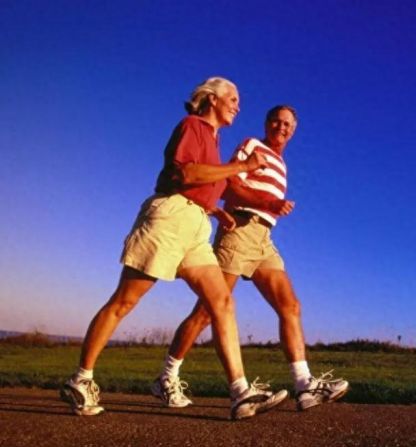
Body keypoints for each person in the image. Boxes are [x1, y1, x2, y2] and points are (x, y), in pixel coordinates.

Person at [60, 77, 288, 420]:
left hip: (196, 225)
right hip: (169, 218)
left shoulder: (213, 139)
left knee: (221, 302)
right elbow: (186, 174)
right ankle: (81, 378)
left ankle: (241, 392)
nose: (238, 106)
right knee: (124, 301)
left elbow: (201, 184)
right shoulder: (193, 125)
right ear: (212, 99)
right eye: (233, 99)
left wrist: (216, 210)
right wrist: (243, 166)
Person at [152, 105, 349, 412]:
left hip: (264, 240)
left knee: (290, 305)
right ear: (267, 124)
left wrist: (269, 207)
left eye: (287, 124)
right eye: (276, 121)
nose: (281, 127)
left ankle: (304, 386)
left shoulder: (281, 164)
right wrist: (269, 202)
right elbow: (229, 184)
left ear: (294, 130)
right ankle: (167, 377)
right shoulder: (252, 145)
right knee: (207, 311)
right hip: (240, 231)